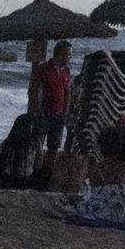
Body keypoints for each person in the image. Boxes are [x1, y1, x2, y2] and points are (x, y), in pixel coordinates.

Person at [32, 41, 74, 181]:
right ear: (60, 53)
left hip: (59, 115)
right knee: (37, 144)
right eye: (68, 54)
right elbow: (37, 90)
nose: (70, 57)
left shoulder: (66, 70)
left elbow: (67, 91)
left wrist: (66, 111)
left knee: (54, 146)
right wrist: (38, 111)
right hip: (44, 113)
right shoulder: (43, 68)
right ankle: (33, 173)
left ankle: (47, 175)